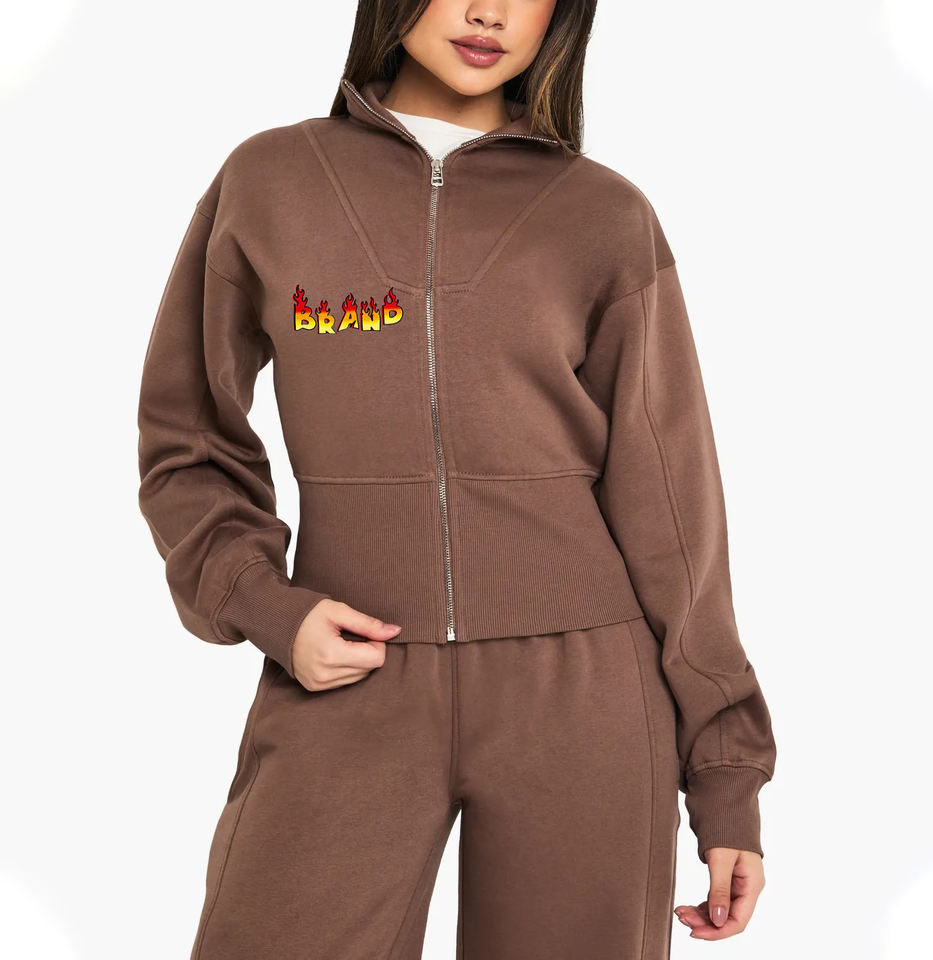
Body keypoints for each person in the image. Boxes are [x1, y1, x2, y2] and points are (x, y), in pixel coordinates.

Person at [136, 1, 777, 957]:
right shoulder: (272, 181)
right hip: (346, 668)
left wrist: (725, 775)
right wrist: (267, 607)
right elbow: (186, 439)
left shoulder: (603, 214)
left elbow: (675, 509)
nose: (490, 11)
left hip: (583, 694)